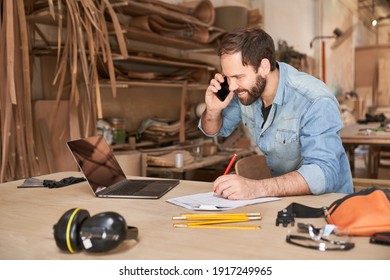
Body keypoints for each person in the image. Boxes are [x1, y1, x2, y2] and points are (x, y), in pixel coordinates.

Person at [199, 27, 353, 200]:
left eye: (238, 77)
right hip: (283, 197)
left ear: (264, 66)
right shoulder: (246, 91)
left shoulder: (314, 100)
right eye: (227, 77)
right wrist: (212, 111)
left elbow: (324, 173)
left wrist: (257, 188)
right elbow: (213, 130)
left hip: (327, 204)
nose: (232, 86)